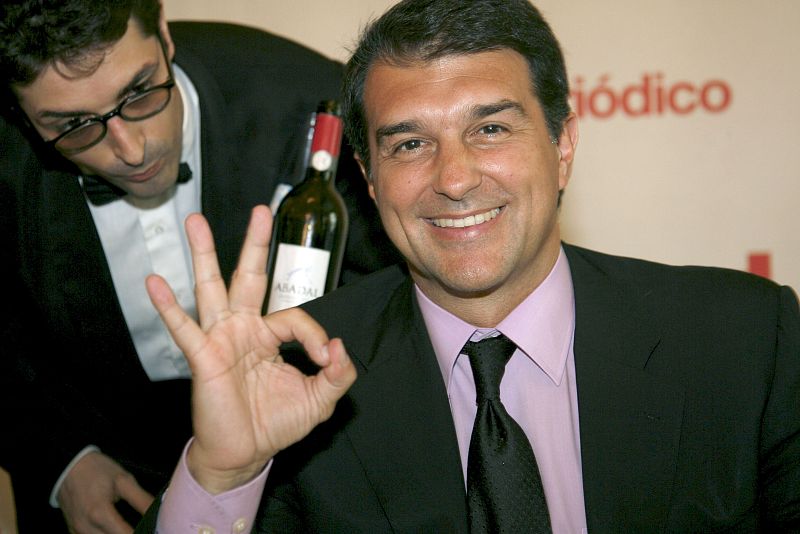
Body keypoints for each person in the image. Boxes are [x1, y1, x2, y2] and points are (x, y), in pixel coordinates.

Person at [138, 0, 799, 532]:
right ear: (368, 178)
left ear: (563, 146)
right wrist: (223, 476)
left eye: (490, 129)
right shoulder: (297, 373)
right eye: (409, 144)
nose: (453, 179)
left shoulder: (745, 339)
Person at [0, 0, 400, 531]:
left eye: (139, 93)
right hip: (96, 466)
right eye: (73, 125)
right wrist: (59, 458)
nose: (131, 150)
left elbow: (400, 298)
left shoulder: (309, 97)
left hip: (301, 461)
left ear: (164, 37)